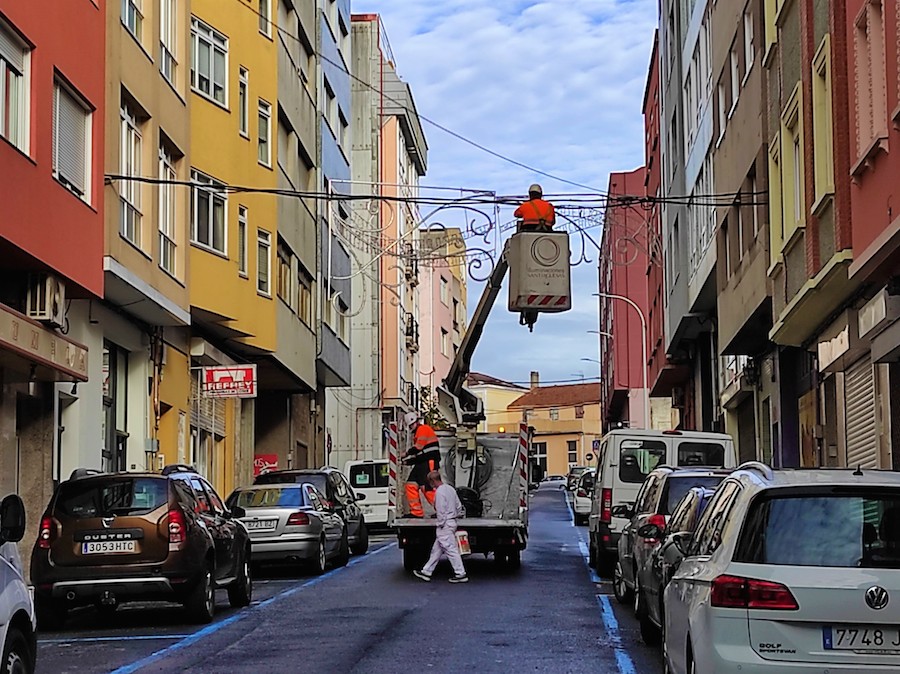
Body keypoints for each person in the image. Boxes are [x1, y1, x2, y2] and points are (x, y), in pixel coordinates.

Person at [413, 471, 468, 583]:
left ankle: (460, 573)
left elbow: (440, 510)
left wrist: (440, 523)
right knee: (436, 550)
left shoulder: (439, 493)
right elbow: (458, 506)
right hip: (452, 522)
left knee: (451, 549)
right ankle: (426, 571)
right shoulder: (450, 489)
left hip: (445, 525)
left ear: (433, 481)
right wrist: (455, 516)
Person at [401, 412, 442, 518]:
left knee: (428, 487)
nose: (411, 427)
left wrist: (406, 454)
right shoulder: (419, 432)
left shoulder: (423, 430)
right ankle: (416, 512)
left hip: (429, 463)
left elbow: (418, 448)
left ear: (416, 422)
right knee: (411, 484)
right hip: (423, 463)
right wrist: (407, 462)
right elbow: (420, 455)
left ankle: (441, 510)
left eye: (411, 425)